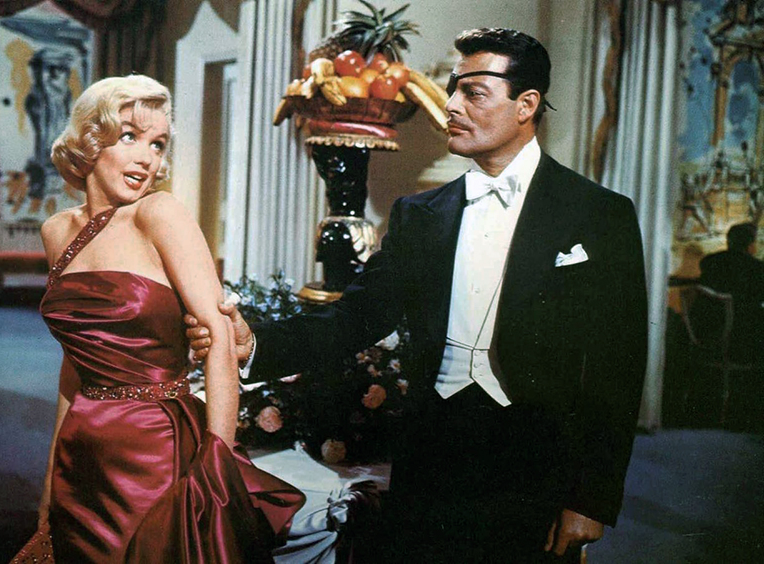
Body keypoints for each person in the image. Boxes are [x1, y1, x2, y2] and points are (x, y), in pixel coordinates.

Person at [189, 28, 648, 563]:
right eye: (453, 89)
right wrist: (256, 344)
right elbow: (357, 315)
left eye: (473, 92)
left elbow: (617, 368)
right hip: (431, 456)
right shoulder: (421, 215)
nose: (450, 105)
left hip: (536, 468)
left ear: (526, 105)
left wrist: (589, 498)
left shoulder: (599, 214)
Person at [37, 75, 303, 562]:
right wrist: (50, 480)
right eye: (130, 137)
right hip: (83, 457)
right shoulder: (56, 231)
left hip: (156, 451)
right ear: (91, 140)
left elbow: (219, 335)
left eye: (157, 144)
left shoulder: (159, 214)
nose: (147, 158)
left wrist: (218, 463)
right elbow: (75, 362)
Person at [697, 222, 764, 360]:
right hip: (743, 334)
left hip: (708, 328)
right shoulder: (757, 268)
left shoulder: (709, 262)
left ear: (728, 242)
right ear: (751, 245)